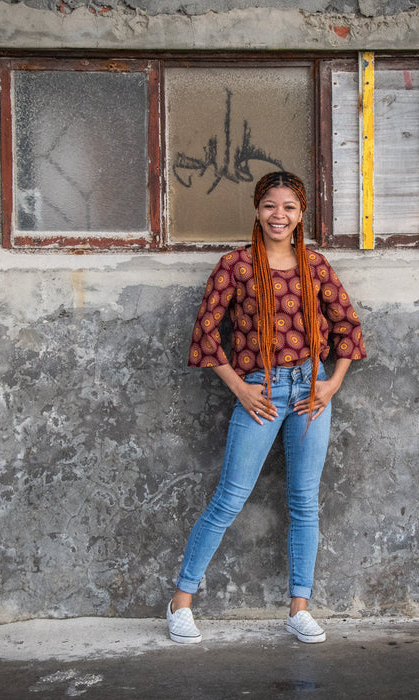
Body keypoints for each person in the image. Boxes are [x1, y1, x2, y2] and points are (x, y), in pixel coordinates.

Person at [167, 171, 366, 644]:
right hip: (260, 391)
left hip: (311, 391)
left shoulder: (315, 266)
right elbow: (205, 334)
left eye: (290, 208)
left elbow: (348, 330)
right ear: (258, 210)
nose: (280, 215)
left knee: (303, 502)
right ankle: (180, 602)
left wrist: (331, 384)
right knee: (229, 498)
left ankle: (299, 607)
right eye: (271, 206)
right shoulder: (235, 266)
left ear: (301, 215)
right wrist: (241, 388)